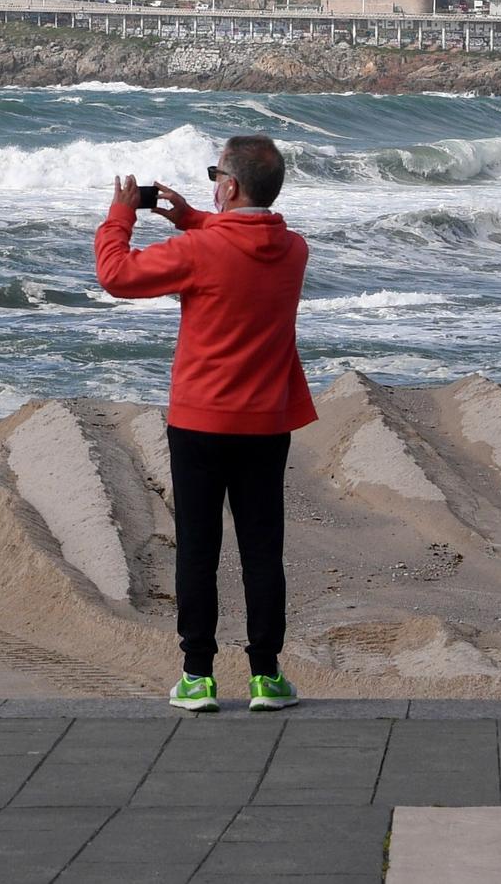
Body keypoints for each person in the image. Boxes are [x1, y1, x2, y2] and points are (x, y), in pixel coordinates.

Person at [94, 134, 315, 713]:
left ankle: (198, 676)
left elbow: (116, 275)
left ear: (231, 186)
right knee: (262, 549)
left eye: (217, 173)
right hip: (266, 423)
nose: (214, 181)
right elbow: (237, 251)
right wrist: (193, 216)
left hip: (200, 421)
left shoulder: (201, 252)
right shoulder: (295, 250)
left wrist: (121, 217)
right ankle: (266, 676)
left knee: (198, 547)